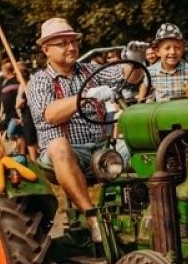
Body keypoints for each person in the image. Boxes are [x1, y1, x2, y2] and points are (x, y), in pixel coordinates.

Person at [24, 17, 137, 240]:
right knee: (58, 146)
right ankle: (92, 218)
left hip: (103, 147)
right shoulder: (39, 81)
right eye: (63, 43)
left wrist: (135, 61)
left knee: (145, 147)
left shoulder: (90, 71)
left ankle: (146, 215)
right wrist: (84, 97)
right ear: (46, 49)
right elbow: (50, 114)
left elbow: (127, 79)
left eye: (74, 42)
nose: (72, 47)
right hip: (66, 153)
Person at [144, 23, 188, 101]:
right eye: (167, 48)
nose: (172, 52)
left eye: (177, 48)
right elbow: (146, 98)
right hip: (161, 112)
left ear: (183, 50)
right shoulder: (150, 73)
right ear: (157, 51)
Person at [0, 61, 23, 145]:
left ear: (6, 71)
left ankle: (20, 153)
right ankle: (15, 150)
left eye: (2, 70)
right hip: (7, 114)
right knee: (10, 134)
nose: (2, 72)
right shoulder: (3, 82)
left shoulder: (16, 82)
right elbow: (3, 100)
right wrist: (1, 113)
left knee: (14, 134)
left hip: (15, 114)